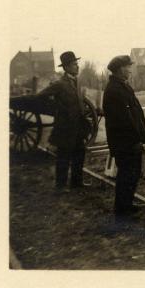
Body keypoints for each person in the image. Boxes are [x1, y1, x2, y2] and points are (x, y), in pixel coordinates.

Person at [102, 55, 145, 216]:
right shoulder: (114, 91)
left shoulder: (123, 87)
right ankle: (122, 210)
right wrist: (135, 141)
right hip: (125, 143)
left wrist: (142, 137)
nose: (130, 70)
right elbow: (123, 121)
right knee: (126, 175)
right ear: (120, 69)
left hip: (130, 142)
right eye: (128, 67)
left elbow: (135, 115)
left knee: (133, 174)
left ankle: (127, 204)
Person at [38, 51, 90, 192]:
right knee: (64, 157)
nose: (77, 67)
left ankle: (76, 183)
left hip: (78, 126)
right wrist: (57, 109)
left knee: (79, 154)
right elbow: (41, 96)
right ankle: (60, 187)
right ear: (66, 67)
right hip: (65, 127)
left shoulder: (77, 82)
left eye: (77, 64)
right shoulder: (59, 84)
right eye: (74, 65)